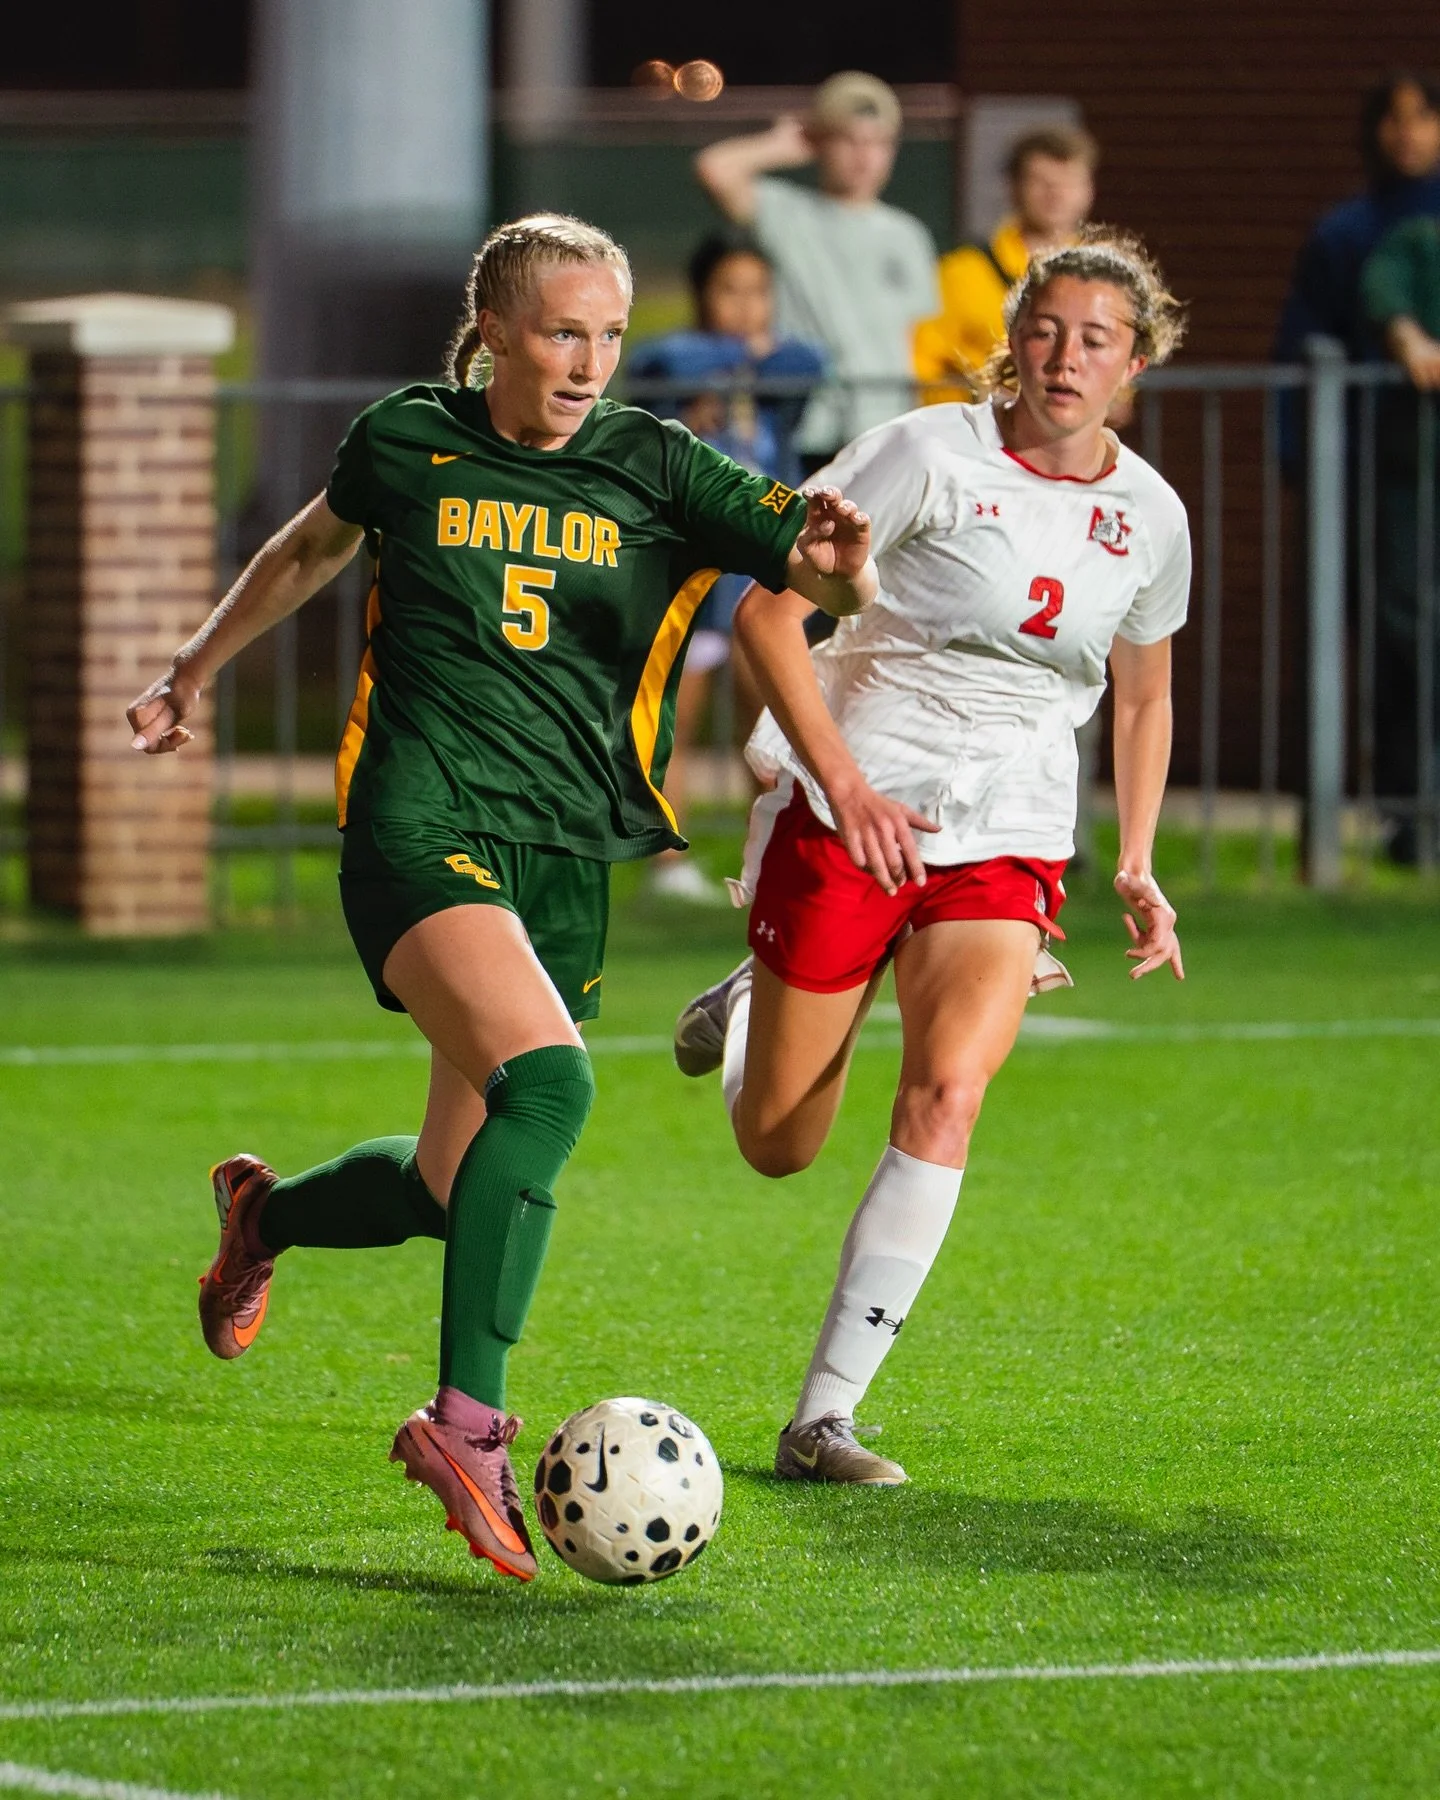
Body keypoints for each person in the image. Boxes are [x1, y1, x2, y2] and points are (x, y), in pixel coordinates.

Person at [125, 213, 877, 1580]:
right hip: (418, 820)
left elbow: (822, 576)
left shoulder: (657, 463)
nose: (588, 360)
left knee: (448, 1183)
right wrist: (195, 664)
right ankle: (466, 1427)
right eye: (560, 332)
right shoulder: (407, 439)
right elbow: (308, 547)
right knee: (552, 1086)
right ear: (496, 336)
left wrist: (841, 554)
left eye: (607, 334)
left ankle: (265, 1217)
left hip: (561, 847)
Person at [672, 229, 1191, 1486]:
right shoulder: (922, 453)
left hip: (1008, 828)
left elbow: (1142, 695)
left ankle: (822, 1420)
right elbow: (765, 615)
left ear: (1136, 362)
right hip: (861, 801)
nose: (1067, 358)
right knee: (778, 1145)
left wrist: (1136, 857)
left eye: (1098, 340)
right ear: (1013, 338)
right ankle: (751, 1001)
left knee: (949, 1093)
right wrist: (841, 785)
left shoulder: (1152, 513)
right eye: (1048, 330)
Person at [628, 235, 826, 901]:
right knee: (673, 715)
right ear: (701, 295)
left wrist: (738, 368)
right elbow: (657, 364)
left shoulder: (778, 374)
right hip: (688, 564)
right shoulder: (674, 369)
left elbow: (811, 361)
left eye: (758, 293)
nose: (746, 308)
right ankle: (666, 861)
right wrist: (714, 382)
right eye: (730, 291)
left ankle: (767, 857)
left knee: (764, 716)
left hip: (756, 568)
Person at [695, 70, 939, 469]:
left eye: (877, 143)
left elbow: (924, 339)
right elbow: (716, 168)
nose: (864, 156)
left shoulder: (909, 236)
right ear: (820, 143)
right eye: (848, 140)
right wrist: (783, 144)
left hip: (887, 429)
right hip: (807, 428)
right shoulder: (785, 212)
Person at [914, 124, 1098, 399]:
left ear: (1088, 190)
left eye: (1069, 183)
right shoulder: (960, 271)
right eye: (1041, 182)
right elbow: (924, 364)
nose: (1056, 194)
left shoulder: (1108, 279)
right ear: (1013, 188)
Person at [1361, 208, 1440, 852]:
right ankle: (1412, 814)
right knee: (1409, 632)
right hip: (1419, 472)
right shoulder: (1419, 240)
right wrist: (1409, 338)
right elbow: (1381, 290)